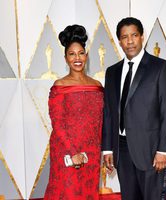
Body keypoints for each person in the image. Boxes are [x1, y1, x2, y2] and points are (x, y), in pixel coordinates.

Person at [102, 17, 166, 200]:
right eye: (124, 37)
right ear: (119, 41)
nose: (130, 41)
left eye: (134, 35)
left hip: (152, 152)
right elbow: (109, 113)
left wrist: (164, 150)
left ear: (142, 37)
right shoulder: (112, 72)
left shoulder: (161, 68)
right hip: (122, 150)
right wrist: (107, 149)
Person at [44, 24, 103, 199]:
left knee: (88, 193)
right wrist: (72, 151)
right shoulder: (60, 86)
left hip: (91, 152)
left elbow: (100, 121)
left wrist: (105, 151)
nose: (77, 58)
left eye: (81, 53)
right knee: (68, 193)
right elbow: (58, 123)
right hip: (67, 151)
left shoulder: (97, 86)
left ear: (86, 55)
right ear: (65, 58)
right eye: (72, 54)